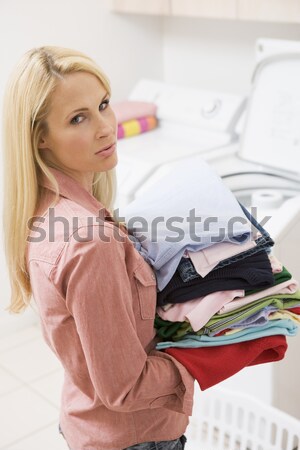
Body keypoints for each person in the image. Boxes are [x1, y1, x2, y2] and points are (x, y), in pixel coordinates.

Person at [2, 46, 194, 450]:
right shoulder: (90, 239)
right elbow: (126, 389)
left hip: (86, 421)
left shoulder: (46, 211)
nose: (106, 127)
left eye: (104, 105)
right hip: (135, 438)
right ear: (40, 137)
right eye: (78, 118)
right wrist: (209, 354)